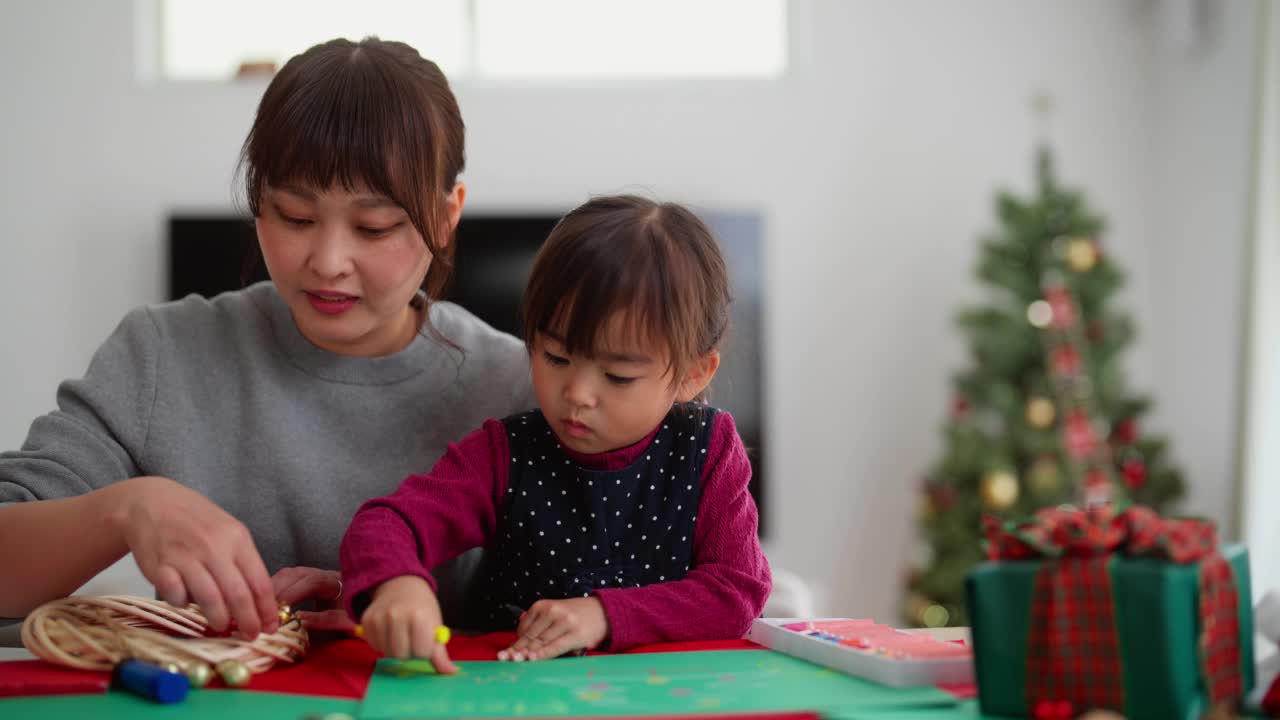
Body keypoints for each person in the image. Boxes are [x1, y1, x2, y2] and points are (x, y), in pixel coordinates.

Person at [0, 37, 534, 640]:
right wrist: (127, 510)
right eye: (295, 217)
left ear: (444, 217)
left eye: (374, 226)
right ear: (257, 203)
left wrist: (380, 608)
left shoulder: (517, 385)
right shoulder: (162, 355)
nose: (329, 261)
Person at [341, 195, 771, 673]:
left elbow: (736, 591)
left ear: (694, 374)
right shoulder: (504, 454)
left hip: (666, 693)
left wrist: (605, 615)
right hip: (513, 689)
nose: (578, 394)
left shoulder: (708, 449)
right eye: (556, 358)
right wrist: (398, 582)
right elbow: (386, 523)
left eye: (618, 376)